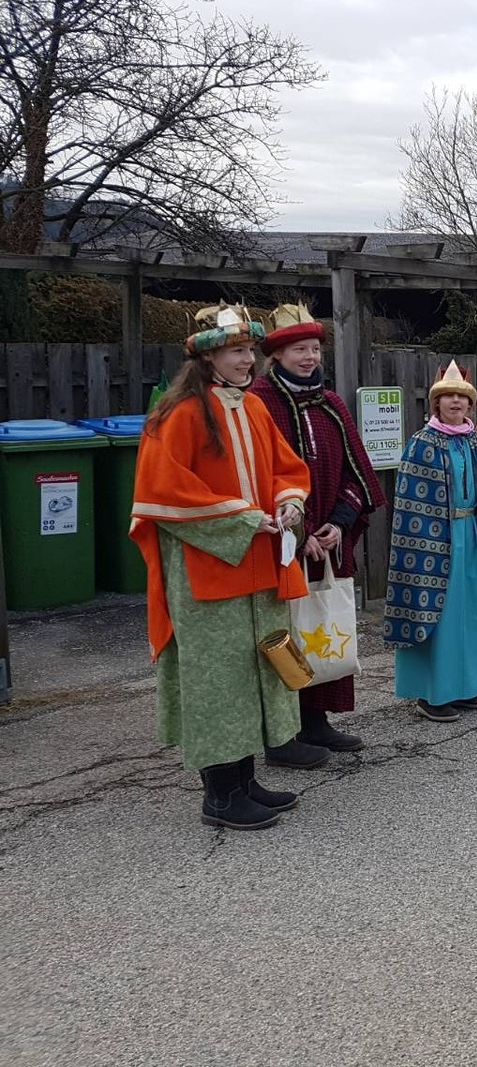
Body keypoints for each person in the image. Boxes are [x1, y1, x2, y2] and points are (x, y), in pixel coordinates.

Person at [131, 304, 312, 831]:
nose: (247, 360)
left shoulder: (252, 407)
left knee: (252, 672)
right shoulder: (178, 414)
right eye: (237, 351)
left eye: (250, 350)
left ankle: (245, 780)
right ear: (208, 357)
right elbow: (162, 492)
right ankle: (220, 795)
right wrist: (245, 518)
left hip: (257, 565)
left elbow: (286, 468)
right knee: (217, 682)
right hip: (207, 570)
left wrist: (289, 503)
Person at [249, 303, 386, 759]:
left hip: (328, 540)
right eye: (299, 350)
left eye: (313, 349)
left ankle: (316, 721)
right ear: (276, 355)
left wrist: (338, 524)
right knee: (285, 631)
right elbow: (259, 477)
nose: (309, 358)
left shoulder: (331, 404)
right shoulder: (260, 404)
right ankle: (280, 732)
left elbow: (357, 474)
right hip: (280, 542)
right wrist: (299, 530)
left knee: (323, 628)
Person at [384, 362, 477, 722]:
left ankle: (467, 687)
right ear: (436, 403)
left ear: (470, 404)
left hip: (472, 534)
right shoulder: (421, 444)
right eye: (448, 397)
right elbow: (411, 504)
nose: (456, 402)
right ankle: (433, 693)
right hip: (433, 542)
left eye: (462, 397)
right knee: (440, 615)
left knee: (470, 613)